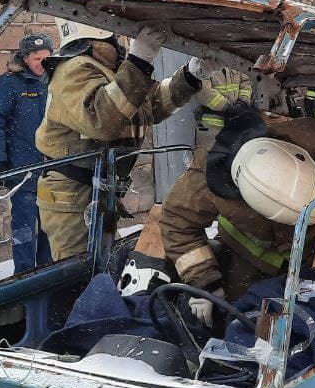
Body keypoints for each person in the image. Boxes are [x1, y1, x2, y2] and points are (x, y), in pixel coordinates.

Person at [158, 99, 315, 323]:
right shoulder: (205, 179)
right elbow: (176, 222)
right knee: (244, 319)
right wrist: (205, 284)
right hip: (243, 260)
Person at [35, 21, 202, 260]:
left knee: (99, 266)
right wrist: (139, 61)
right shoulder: (75, 68)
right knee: (77, 271)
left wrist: (190, 76)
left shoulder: (109, 70)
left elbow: (149, 107)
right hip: (74, 198)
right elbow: (102, 121)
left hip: (97, 191)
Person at [0, 31, 55, 272]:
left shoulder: (56, 80)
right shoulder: (10, 83)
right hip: (24, 168)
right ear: (24, 58)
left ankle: (48, 271)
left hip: (54, 169)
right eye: (36, 59)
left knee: (51, 224)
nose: (42, 64)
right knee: (24, 227)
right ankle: (24, 274)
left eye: (46, 58)